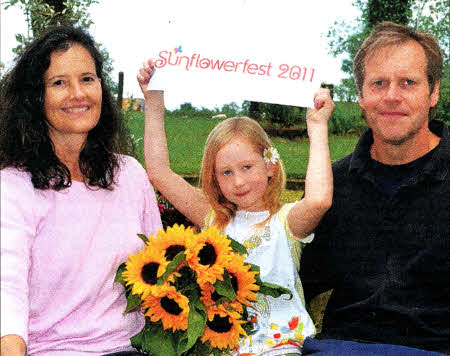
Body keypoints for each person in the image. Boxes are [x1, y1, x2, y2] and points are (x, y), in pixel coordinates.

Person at [138, 59, 334, 355]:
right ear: (213, 179)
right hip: (221, 347)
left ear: (270, 165)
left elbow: (319, 200)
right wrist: (153, 101)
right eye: (226, 172)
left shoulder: (286, 222)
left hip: (280, 347)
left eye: (247, 167)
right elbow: (159, 173)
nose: (239, 181)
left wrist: (317, 127)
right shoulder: (213, 220)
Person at [0, 26, 162, 355]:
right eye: (59, 83)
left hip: (130, 349)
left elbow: (161, 269)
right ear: (35, 97)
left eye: (87, 79)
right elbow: (7, 291)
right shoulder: (13, 186)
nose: (78, 93)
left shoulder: (129, 174)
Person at [300, 21, 449, 355]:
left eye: (408, 83)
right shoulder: (330, 186)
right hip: (341, 347)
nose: (392, 96)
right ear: (361, 96)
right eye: (379, 83)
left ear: (433, 91)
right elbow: (291, 281)